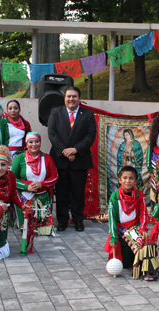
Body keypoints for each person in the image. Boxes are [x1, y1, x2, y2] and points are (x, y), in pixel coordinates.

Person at [48, 86, 97, 232]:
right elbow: (52, 133)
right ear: (64, 98)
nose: (71, 99)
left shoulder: (88, 114)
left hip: (79, 159)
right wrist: (65, 151)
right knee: (62, 192)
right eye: (68, 96)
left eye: (74, 96)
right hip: (60, 159)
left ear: (79, 99)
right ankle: (62, 221)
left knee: (78, 193)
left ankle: (77, 220)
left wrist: (75, 150)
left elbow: (90, 135)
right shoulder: (55, 112)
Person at [104, 166, 159, 281]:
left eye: (131, 178)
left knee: (146, 241)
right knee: (124, 264)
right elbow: (112, 218)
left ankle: (148, 270)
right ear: (120, 180)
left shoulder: (139, 195)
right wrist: (113, 237)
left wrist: (143, 229)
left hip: (135, 228)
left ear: (135, 181)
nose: (127, 181)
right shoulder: (115, 197)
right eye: (125, 178)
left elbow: (143, 214)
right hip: (121, 230)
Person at [11, 132, 58, 236]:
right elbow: (12, 178)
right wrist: (26, 186)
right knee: (26, 228)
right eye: (30, 142)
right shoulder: (19, 158)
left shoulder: (47, 158)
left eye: (37, 141)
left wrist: (42, 184)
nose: (34, 144)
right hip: (24, 195)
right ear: (26, 144)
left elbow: (54, 177)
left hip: (43, 194)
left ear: (40, 143)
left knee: (43, 229)